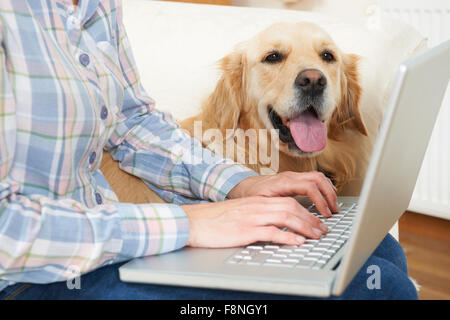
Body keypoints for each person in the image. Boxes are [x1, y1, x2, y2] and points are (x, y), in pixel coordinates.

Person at [0, 0, 417, 300]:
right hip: (32, 274)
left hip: (108, 239)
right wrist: (190, 224)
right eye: (275, 57)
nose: (311, 76)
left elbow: (132, 123)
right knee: (380, 287)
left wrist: (243, 185)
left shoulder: (96, 7)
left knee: (382, 252)